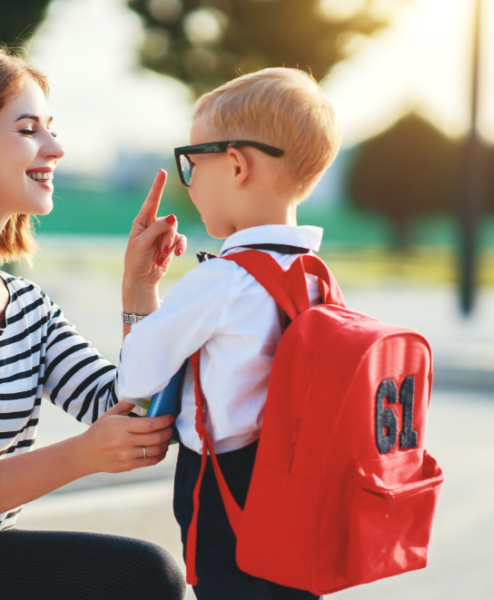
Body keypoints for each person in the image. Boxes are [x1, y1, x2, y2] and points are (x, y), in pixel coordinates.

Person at [118, 68, 341, 599]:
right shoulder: (315, 275)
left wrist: (139, 292)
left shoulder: (221, 280)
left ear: (236, 165)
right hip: (299, 488)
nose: (188, 181)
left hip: (226, 492)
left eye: (192, 164)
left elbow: (135, 380)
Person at [0, 47, 187, 599]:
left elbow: (132, 413)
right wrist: (82, 454)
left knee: (146, 576)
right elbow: (97, 443)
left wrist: (140, 289)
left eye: (51, 129)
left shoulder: (29, 310)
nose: (55, 149)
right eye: (29, 129)